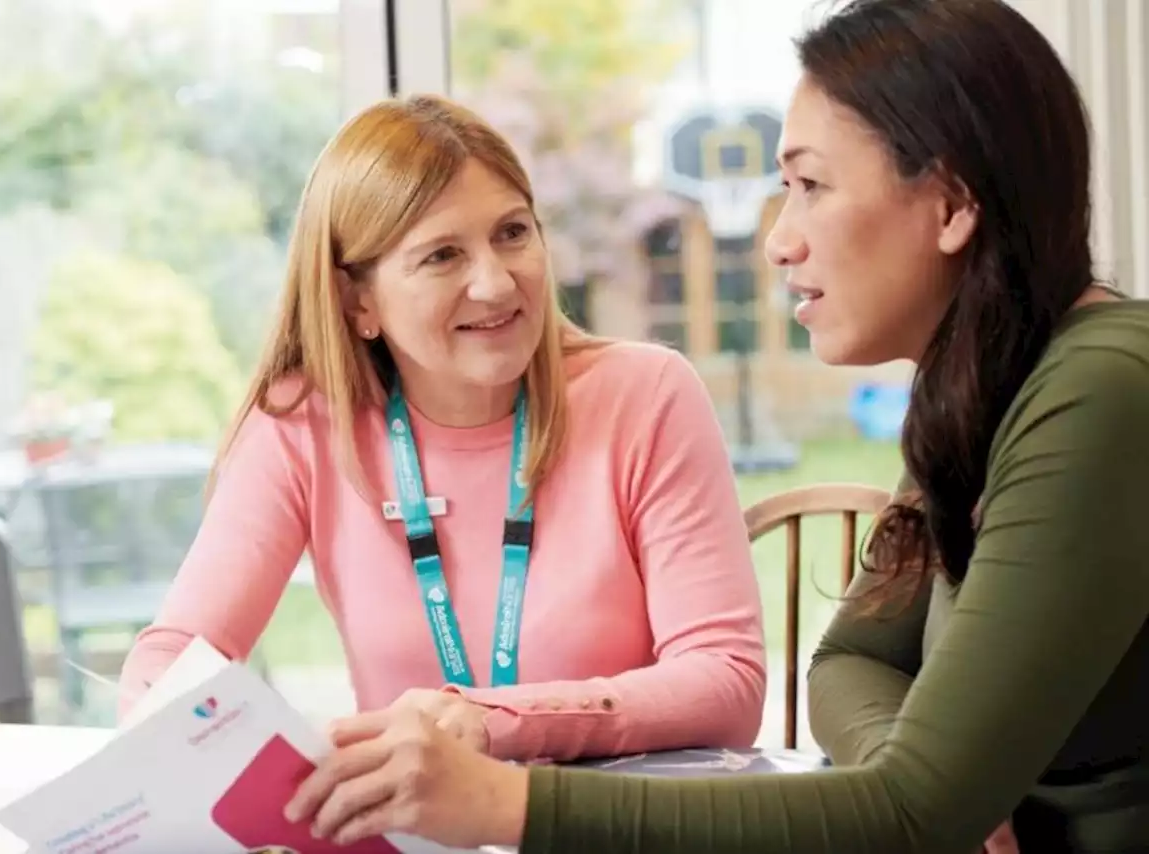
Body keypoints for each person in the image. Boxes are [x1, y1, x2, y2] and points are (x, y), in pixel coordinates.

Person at [280, 0, 1149, 851]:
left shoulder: (1100, 392)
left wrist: (507, 803)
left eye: (810, 185)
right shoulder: (985, 384)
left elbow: (908, 815)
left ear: (952, 205)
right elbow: (850, 664)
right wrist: (942, 779)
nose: (778, 239)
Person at [118, 94, 768, 765]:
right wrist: (178, 725)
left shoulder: (646, 394)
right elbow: (173, 654)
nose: (494, 283)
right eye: (442, 256)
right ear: (357, 299)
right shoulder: (304, 424)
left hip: (604, 825)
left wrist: (489, 723)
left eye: (512, 233)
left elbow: (724, 682)